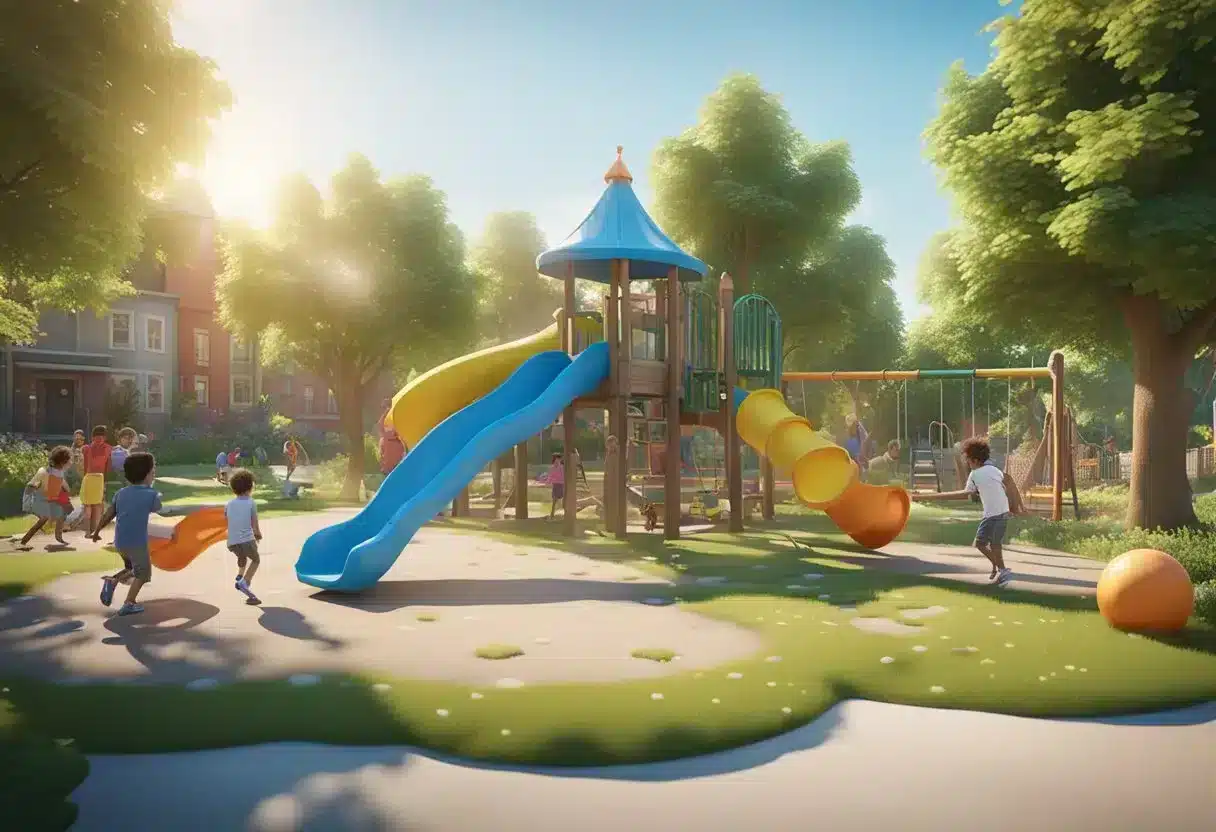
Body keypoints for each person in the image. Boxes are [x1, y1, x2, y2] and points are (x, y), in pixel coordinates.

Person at [912, 437, 1017, 586]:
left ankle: (1003, 570)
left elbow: (962, 494)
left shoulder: (974, 475)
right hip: (1003, 512)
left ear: (974, 460)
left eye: (967, 460)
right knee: (995, 544)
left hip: (992, 515)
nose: (966, 463)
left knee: (981, 544)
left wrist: (928, 496)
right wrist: (1013, 507)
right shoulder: (995, 470)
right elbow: (1006, 485)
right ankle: (999, 568)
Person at [94, 452, 162, 616]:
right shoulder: (151, 495)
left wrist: (96, 531)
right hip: (137, 543)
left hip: (120, 542)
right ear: (147, 475)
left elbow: (109, 514)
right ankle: (129, 603)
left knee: (131, 568)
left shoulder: (121, 493)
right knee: (143, 573)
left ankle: (113, 581)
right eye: (153, 471)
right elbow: (158, 509)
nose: (154, 474)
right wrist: (156, 495)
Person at [19, 446, 73, 547]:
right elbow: (31, 486)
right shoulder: (44, 472)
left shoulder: (60, 472)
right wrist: (27, 502)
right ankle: (24, 541)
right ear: (62, 462)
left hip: (50, 499)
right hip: (39, 499)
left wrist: (65, 496)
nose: (71, 462)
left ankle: (58, 537)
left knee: (61, 513)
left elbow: (64, 486)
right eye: (69, 460)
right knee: (44, 518)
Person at [225, 468, 263, 605]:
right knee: (256, 560)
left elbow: (227, 519)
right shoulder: (251, 502)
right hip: (246, 539)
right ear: (250, 486)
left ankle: (240, 575)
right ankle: (245, 582)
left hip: (232, 542)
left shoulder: (229, 503)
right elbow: (254, 523)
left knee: (242, 556)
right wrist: (258, 534)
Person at [81, 425, 112, 538]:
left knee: (93, 506)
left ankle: (90, 531)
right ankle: (91, 531)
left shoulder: (88, 448)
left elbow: (108, 465)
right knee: (93, 506)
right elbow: (108, 467)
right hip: (95, 479)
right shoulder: (106, 449)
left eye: (100, 436)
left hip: (94, 478)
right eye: (98, 436)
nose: (99, 439)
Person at [378, 399, 406, 475]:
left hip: (394, 445)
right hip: (391, 446)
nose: (385, 409)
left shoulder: (393, 417)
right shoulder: (385, 418)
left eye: (386, 407)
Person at [545, 452, 565, 519]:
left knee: (563, 500)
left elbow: (564, 475)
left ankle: (565, 513)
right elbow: (550, 476)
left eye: (559, 459)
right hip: (556, 485)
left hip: (561, 484)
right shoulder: (553, 467)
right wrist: (547, 482)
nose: (558, 460)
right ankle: (552, 515)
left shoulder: (562, 467)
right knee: (554, 500)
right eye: (557, 459)